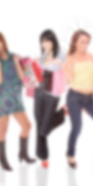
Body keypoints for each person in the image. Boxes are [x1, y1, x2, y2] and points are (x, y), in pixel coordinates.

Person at [63, 29, 93, 175]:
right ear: (75, 42)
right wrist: (62, 66)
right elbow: (69, 79)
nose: (85, 45)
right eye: (82, 42)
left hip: (90, 98)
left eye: (87, 42)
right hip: (75, 97)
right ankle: (70, 154)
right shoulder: (70, 58)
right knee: (77, 127)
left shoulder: (90, 56)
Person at [0, 32, 35, 171]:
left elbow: (24, 79)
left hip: (16, 97)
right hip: (2, 98)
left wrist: (17, 62)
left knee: (27, 126)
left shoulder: (14, 57)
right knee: (3, 129)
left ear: (2, 42)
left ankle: (23, 153)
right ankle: (2, 159)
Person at [33, 29, 66, 169]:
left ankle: (62, 114)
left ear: (53, 41)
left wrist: (42, 62)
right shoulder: (43, 55)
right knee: (39, 124)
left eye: (47, 40)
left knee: (44, 128)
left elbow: (54, 66)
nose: (44, 44)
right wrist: (35, 64)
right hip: (39, 92)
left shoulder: (61, 53)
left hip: (52, 94)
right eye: (42, 41)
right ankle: (43, 157)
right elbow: (37, 71)